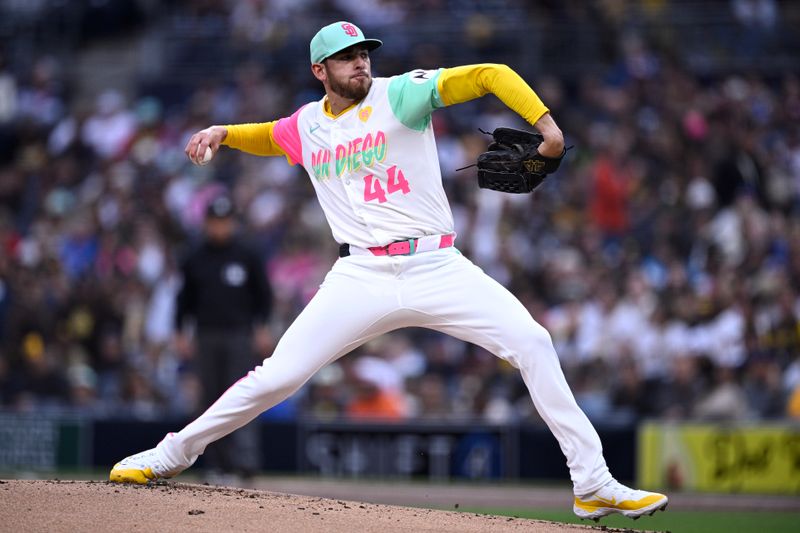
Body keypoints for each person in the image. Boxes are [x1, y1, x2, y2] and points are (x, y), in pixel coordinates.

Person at [110, 21, 668, 521]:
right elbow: (269, 133)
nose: (361, 61)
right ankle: (172, 454)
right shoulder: (307, 126)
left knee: (534, 341)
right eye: (347, 55)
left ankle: (592, 483)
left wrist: (548, 129)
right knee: (279, 377)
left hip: (437, 264)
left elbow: (491, 73)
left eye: (364, 52)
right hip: (361, 276)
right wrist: (223, 133)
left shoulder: (402, 94)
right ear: (319, 70)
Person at [173, 194, 274, 481]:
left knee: (243, 396)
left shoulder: (247, 254)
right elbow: (183, 298)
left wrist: (263, 327)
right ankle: (217, 464)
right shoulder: (194, 255)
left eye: (225, 221)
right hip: (205, 335)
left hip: (240, 335)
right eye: (215, 222)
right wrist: (180, 331)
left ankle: (245, 463)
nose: (220, 227)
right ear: (207, 223)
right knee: (208, 399)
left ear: (233, 222)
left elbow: (264, 295)